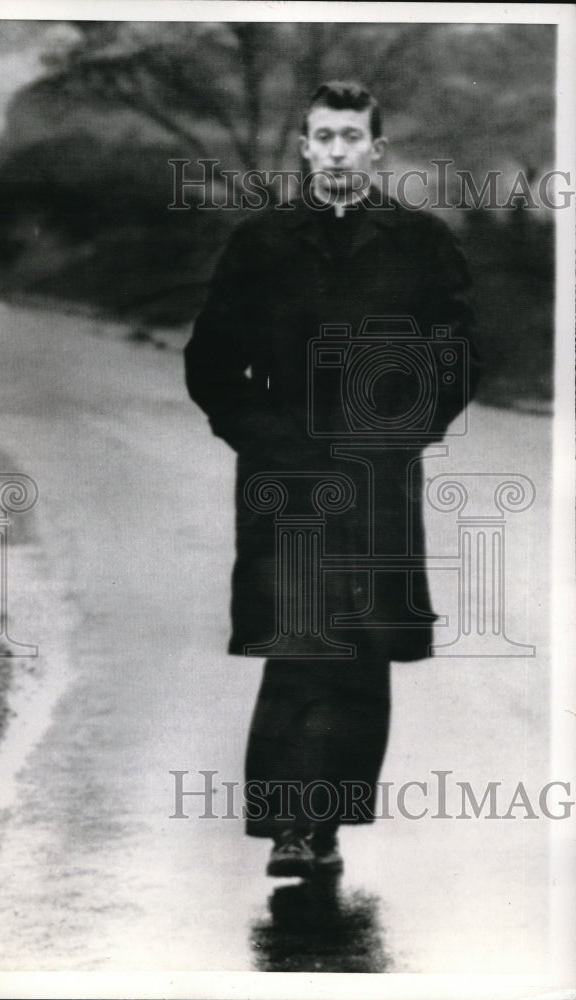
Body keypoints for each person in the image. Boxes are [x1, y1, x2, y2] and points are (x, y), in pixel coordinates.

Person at [184, 81, 481, 878]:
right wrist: (270, 443)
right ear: (306, 148)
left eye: (353, 136)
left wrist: (400, 434)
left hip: (379, 481)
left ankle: (326, 826)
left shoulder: (421, 242)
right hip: (287, 481)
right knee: (301, 646)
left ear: (375, 150)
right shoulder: (262, 242)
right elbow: (212, 363)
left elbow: (456, 357)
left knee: (362, 651)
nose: (339, 150)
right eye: (325, 136)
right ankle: (291, 830)